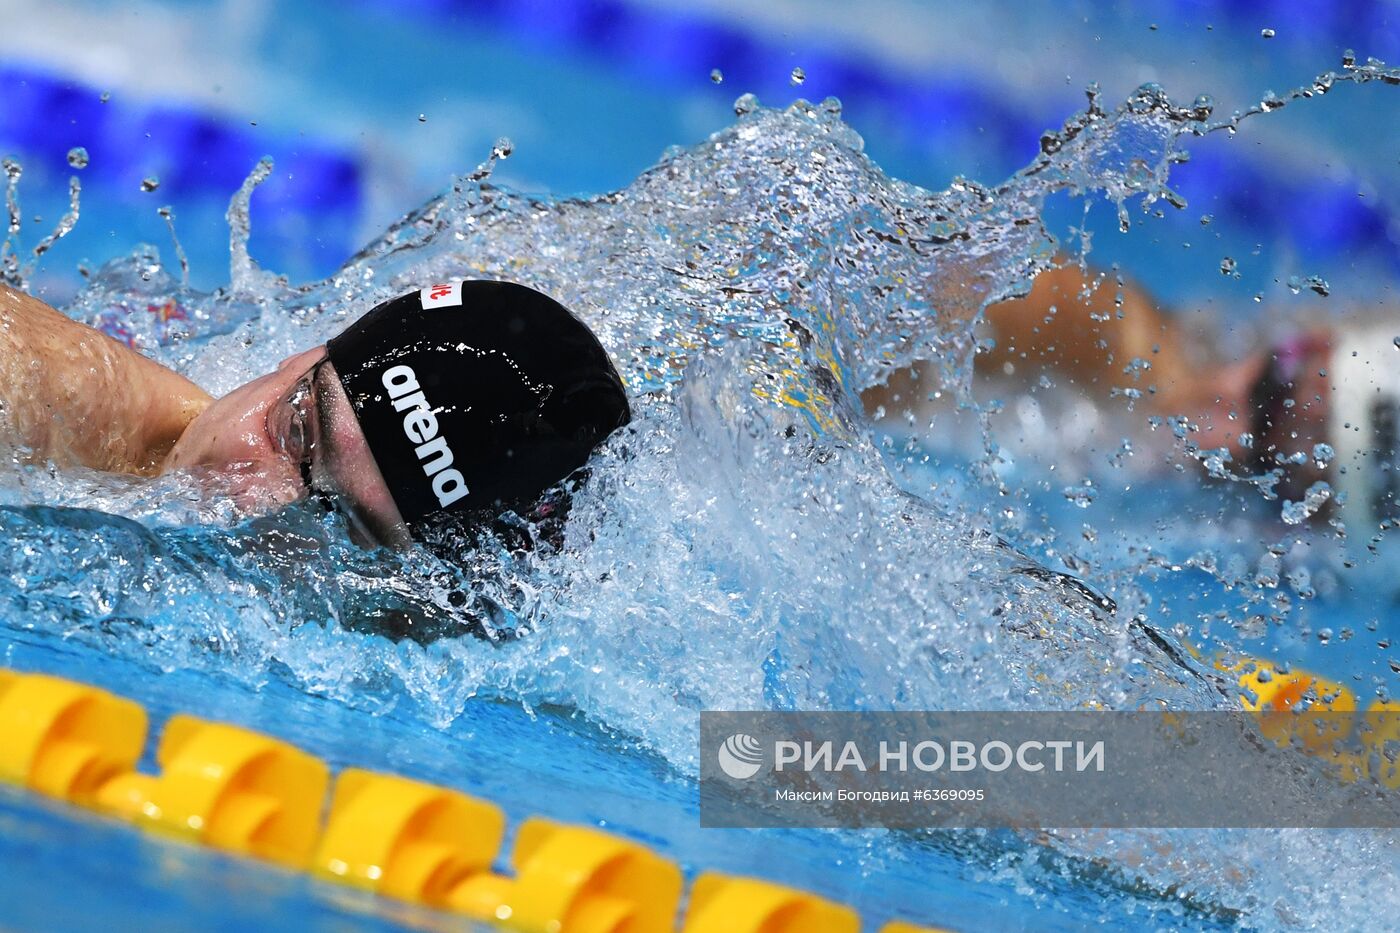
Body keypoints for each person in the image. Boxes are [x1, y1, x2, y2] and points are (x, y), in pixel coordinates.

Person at [0, 278, 632, 550]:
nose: (256, 508)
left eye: (343, 526)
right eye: (295, 432)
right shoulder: (35, 396)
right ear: (301, 358)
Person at [972, 264, 1397, 528]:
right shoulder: (1114, 338)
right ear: (1311, 341)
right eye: (1268, 389)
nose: (1223, 439)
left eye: (1266, 468)